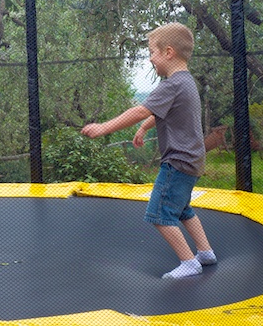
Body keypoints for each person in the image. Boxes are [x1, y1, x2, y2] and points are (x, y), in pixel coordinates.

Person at [81, 22, 217, 279]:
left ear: (168, 52)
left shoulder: (171, 84)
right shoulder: (186, 82)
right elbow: (157, 113)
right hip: (193, 159)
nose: (151, 59)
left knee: (159, 213)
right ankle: (205, 252)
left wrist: (103, 128)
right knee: (182, 207)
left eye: (152, 53)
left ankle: (189, 262)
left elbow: (142, 110)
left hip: (177, 160)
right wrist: (144, 129)